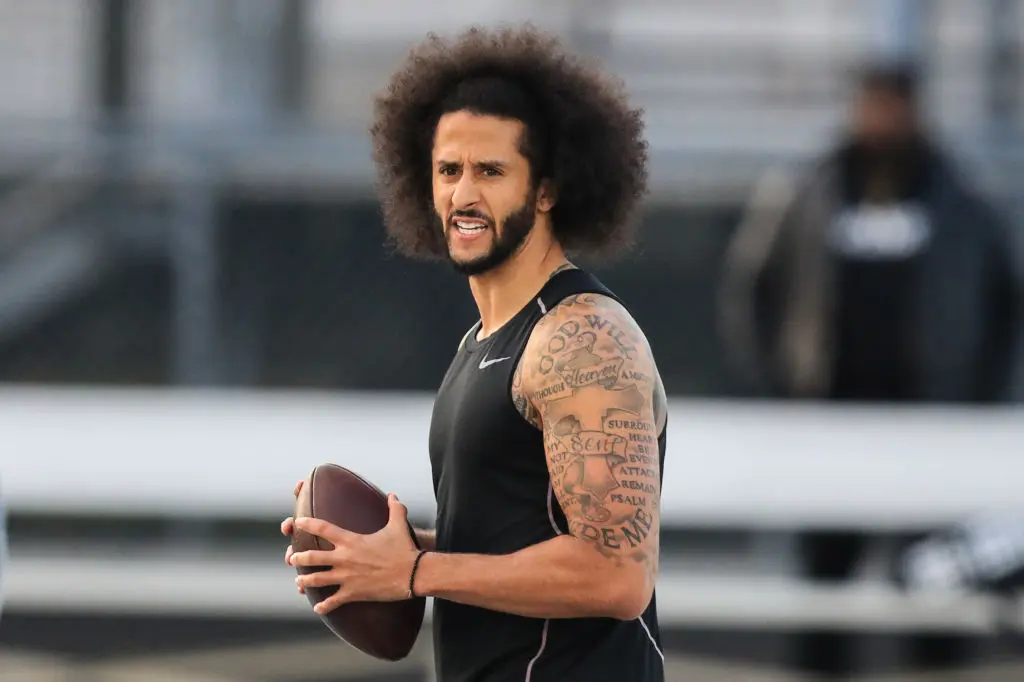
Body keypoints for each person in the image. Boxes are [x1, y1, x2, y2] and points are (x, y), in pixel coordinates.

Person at [280, 25, 667, 682]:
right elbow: (515, 549)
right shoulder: (481, 342)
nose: (463, 195)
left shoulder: (582, 339)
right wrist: (383, 558)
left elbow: (616, 575)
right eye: (448, 171)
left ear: (546, 189)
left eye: (491, 171)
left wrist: (416, 571)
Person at [718, 60, 1022, 677]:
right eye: (874, 104)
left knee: (936, 585)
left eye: (896, 105)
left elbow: (1003, 305)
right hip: (827, 426)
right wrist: (778, 389)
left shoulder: (960, 203)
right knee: (824, 590)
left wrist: (977, 402)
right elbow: (753, 291)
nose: (884, 119)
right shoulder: (808, 194)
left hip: (929, 433)